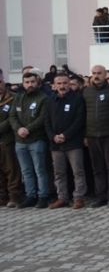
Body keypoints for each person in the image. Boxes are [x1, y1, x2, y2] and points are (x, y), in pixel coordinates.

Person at [82, 65, 109, 207]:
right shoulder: (86, 92)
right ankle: (101, 196)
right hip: (92, 135)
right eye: (94, 73)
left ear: (105, 74)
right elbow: (83, 115)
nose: (96, 76)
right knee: (97, 168)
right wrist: (85, 135)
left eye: (99, 73)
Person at [9, 72, 51, 209]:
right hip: (20, 141)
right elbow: (12, 116)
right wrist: (18, 129)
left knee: (40, 170)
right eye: (27, 82)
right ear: (23, 83)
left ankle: (43, 196)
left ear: (37, 82)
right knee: (26, 171)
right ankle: (30, 195)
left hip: (37, 140)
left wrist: (28, 129)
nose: (30, 85)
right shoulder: (18, 98)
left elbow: (42, 118)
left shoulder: (43, 98)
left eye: (32, 82)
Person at [46, 74, 88, 209]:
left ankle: (79, 197)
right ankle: (62, 197)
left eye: (65, 83)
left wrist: (65, 135)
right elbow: (46, 122)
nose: (62, 86)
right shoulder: (50, 100)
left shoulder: (77, 99)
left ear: (69, 84)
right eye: (59, 83)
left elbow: (79, 120)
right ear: (54, 85)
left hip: (73, 142)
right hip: (56, 144)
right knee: (59, 173)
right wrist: (53, 136)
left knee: (78, 171)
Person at [0, 69, 23, 208]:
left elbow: (11, 119)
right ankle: (1, 196)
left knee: (12, 170)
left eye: (0, 81)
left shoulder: (13, 98)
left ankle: (14, 196)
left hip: (7, 140)